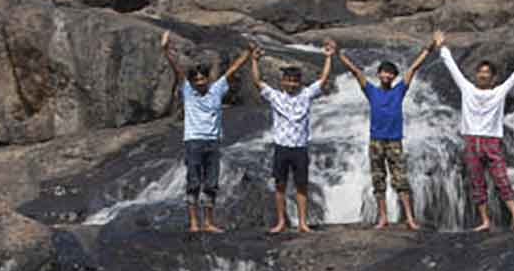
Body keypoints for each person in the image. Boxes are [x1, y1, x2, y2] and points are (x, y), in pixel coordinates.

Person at [433, 30, 514, 231]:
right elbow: (452, 68)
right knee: (477, 183)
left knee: (502, 181)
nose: (483, 75)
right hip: (471, 141)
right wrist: (442, 47)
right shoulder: (467, 89)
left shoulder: (499, 91)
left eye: (487, 73)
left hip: (491, 142)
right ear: (477, 75)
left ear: (493, 77)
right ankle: (485, 221)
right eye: (481, 72)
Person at [338, 41, 435, 230]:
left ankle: (409, 218)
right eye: (384, 72)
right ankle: (383, 218)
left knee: (401, 180)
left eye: (390, 73)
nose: (386, 75)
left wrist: (428, 49)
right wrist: (338, 55)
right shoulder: (371, 92)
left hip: (394, 141)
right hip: (376, 141)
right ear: (379, 74)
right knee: (378, 179)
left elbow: (414, 68)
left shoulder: (399, 91)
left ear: (394, 77)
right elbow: (356, 72)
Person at [161, 30, 251, 233]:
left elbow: (233, 69)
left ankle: (209, 222)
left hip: (213, 141)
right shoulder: (188, 92)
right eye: (197, 80)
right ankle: (194, 222)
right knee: (193, 181)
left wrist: (247, 53)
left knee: (211, 183)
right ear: (192, 82)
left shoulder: (217, 88)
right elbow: (177, 70)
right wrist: (165, 50)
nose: (200, 82)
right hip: (193, 141)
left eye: (203, 78)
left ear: (208, 79)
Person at [250, 40, 335, 234]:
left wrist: (328, 57)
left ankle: (302, 223)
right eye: (288, 80)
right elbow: (257, 82)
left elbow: (323, 79)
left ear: (299, 82)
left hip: (300, 147)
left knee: (301, 186)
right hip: (282, 146)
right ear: (282, 81)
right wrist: (254, 60)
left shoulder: (306, 94)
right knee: (280, 185)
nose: (291, 83)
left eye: (294, 80)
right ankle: (281, 222)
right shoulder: (275, 96)